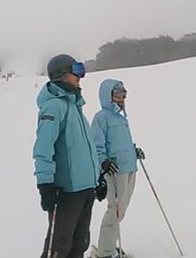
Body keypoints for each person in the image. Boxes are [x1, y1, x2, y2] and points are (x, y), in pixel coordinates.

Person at [33, 54, 106, 258]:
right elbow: (43, 148)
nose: (80, 76)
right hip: (66, 192)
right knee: (59, 246)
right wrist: (45, 185)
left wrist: (97, 178)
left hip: (85, 189)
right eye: (76, 69)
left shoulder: (75, 106)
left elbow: (87, 148)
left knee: (80, 244)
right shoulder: (55, 106)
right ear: (61, 74)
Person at [91, 79, 145, 258]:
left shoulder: (121, 117)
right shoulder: (101, 117)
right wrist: (103, 162)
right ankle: (105, 252)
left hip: (130, 167)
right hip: (116, 172)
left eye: (124, 94)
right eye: (118, 94)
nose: (122, 99)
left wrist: (133, 151)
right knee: (115, 210)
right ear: (108, 96)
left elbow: (121, 143)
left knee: (121, 209)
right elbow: (96, 145)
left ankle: (109, 246)